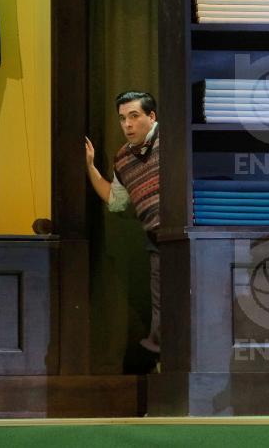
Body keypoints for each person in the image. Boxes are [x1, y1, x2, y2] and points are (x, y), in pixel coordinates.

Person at [85, 91, 161, 354]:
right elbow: (116, 201)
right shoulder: (123, 158)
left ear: (151, 116)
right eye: (122, 118)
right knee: (162, 310)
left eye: (134, 116)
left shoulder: (173, 139)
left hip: (187, 235)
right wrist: (91, 167)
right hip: (156, 240)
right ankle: (165, 363)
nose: (127, 124)